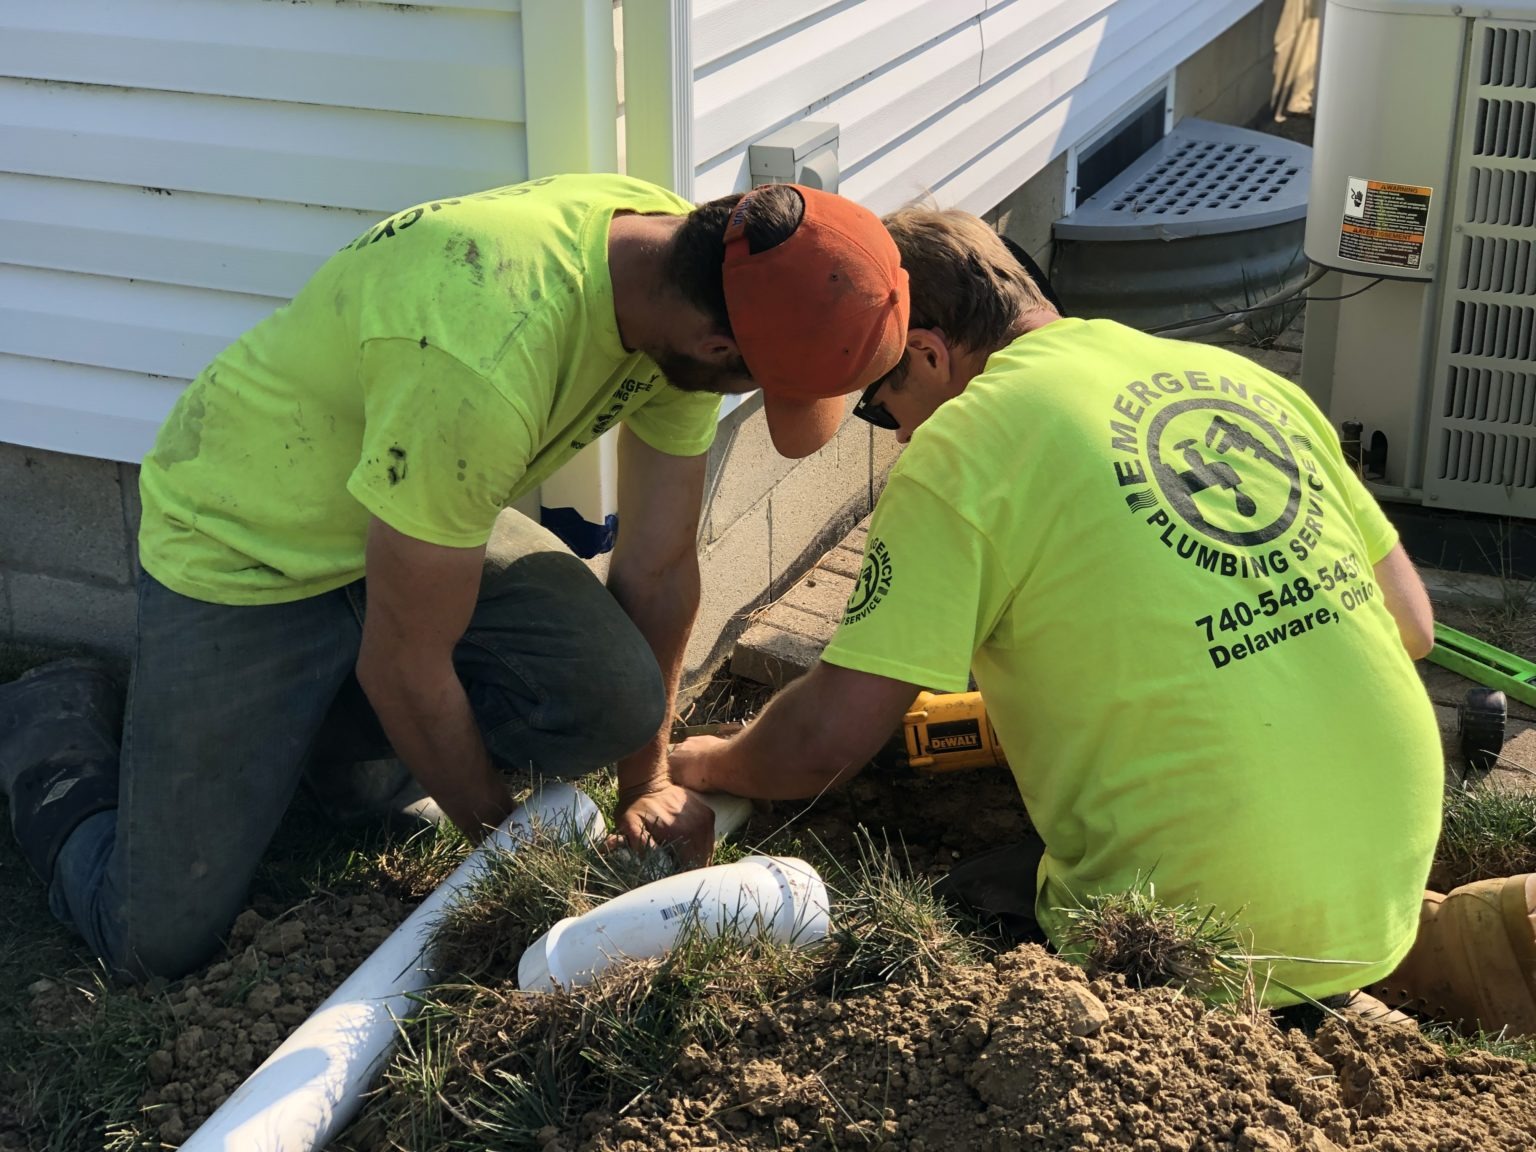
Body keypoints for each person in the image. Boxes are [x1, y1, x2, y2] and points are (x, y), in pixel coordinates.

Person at [0, 173, 909, 982]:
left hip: (413, 518)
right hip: (249, 546)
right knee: (154, 934)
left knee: (614, 696)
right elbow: (404, 665)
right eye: (760, 386)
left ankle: (315, 753)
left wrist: (648, 781)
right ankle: (51, 722)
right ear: (719, 350)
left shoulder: (692, 266)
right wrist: (511, 854)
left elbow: (660, 565)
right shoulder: (484, 350)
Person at [669, 203, 1533, 1018]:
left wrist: (713, 763)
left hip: (1196, 936)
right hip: (1386, 860)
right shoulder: (1236, 374)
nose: (894, 434)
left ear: (928, 355)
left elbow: (825, 740)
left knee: (963, 925)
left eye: (878, 404)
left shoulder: (963, 445)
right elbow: (1413, 627)